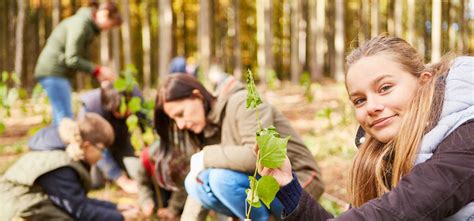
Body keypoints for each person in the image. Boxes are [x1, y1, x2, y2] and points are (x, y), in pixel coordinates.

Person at [258, 36, 474, 220]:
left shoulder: (468, 132)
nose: (371, 107)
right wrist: (288, 186)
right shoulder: (380, 155)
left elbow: (409, 204)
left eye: (385, 88)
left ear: (425, 82)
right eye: (359, 100)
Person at [153, 74, 325, 220]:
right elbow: (198, 184)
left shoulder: (242, 101)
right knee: (194, 182)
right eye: (175, 120)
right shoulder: (209, 127)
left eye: (181, 114)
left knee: (220, 179)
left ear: (197, 96)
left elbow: (260, 158)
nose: (181, 125)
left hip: (297, 183)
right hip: (264, 189)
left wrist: (205, 156)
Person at [0, 113, 139, 220]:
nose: (103, 156)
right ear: (87, 145)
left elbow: (78, 200)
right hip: (14, 212)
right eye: (102, 150)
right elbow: (79, 210)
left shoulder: (65, 152)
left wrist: (116, 208)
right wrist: (121, 218)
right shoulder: (60, 165)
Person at [34, 2, 122, 125]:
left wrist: (97, 73)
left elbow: (79, 58)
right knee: (64, 118)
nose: (107, 29)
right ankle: (59, 144)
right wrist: (98, 70)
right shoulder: (80, 25)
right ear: (104, 14)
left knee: (61, 116)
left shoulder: (87, 27)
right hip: (54, 72)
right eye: (110, 25)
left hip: (59, 73)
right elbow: (72, 58)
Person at [78, 83, 143, 194]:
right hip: (97, 148)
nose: (128, 113)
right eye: (121, 111)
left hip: (121, 141)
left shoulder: (134, 97)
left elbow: (146, 124)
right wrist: (121, 180)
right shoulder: (91, 109)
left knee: (136, 172)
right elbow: (96, 147)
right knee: (95, 182)